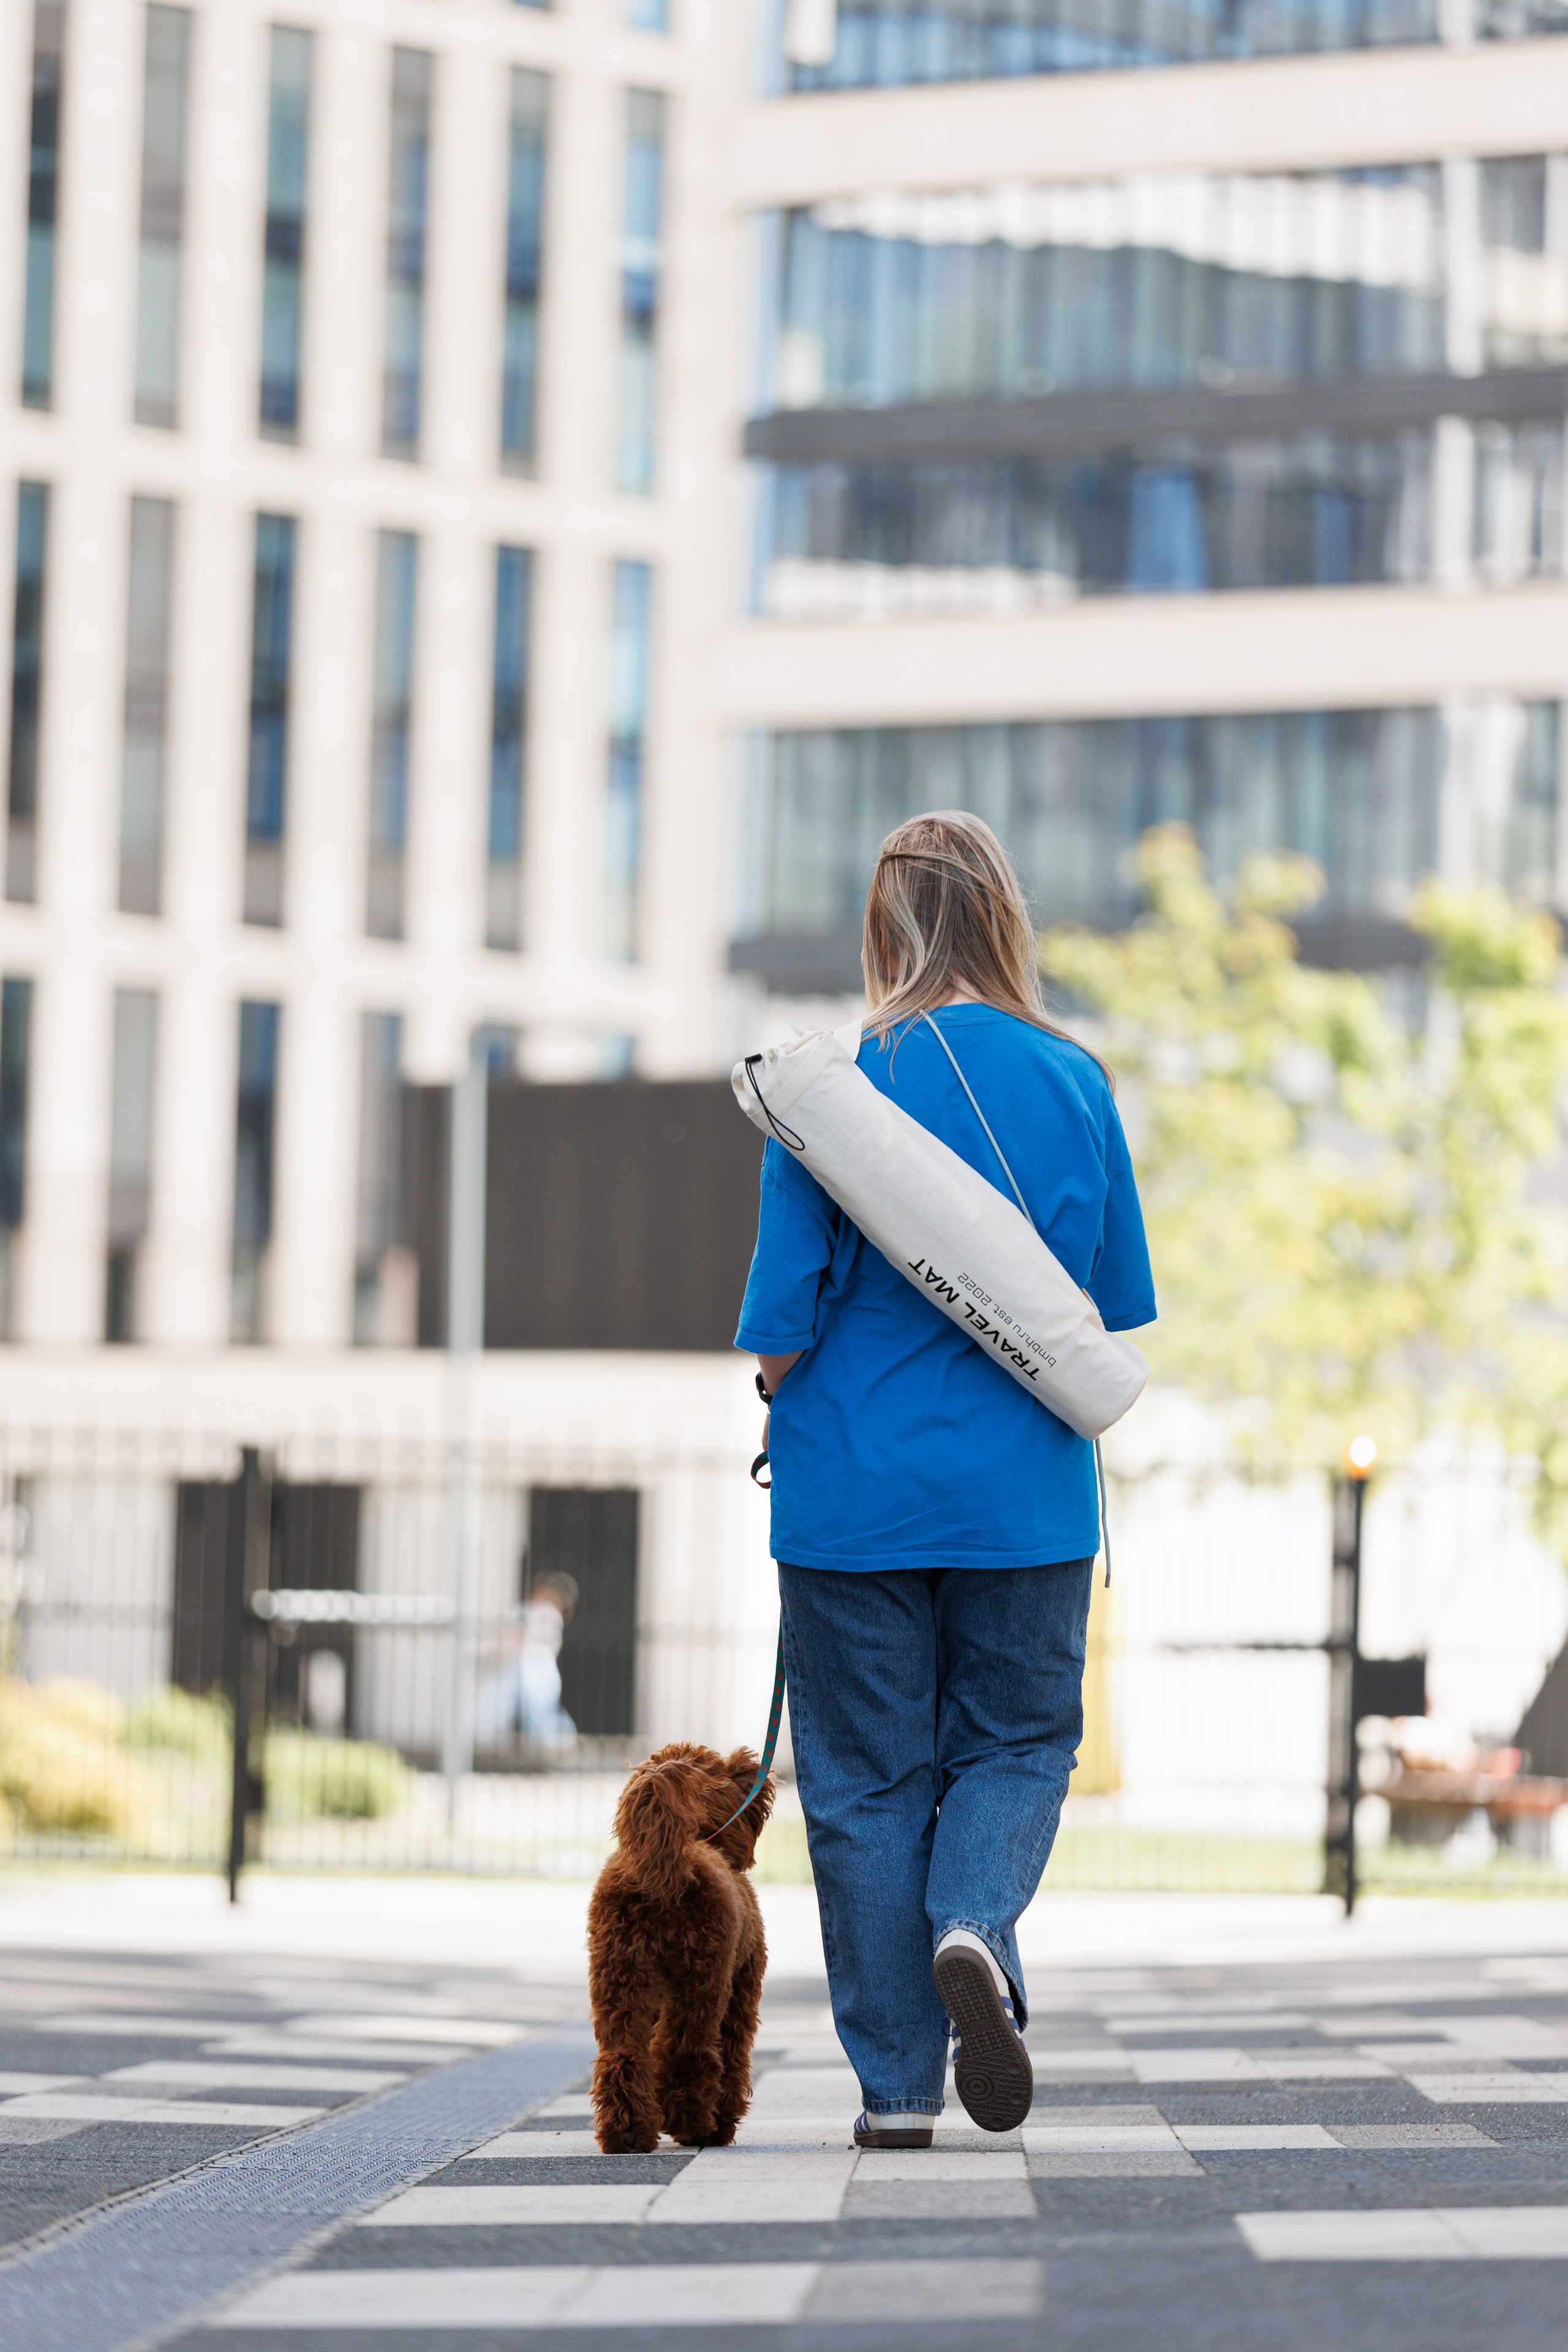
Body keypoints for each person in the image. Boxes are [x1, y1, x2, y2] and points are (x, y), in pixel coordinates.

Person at [734, 810, 1155, 2150]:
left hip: (850, 1499)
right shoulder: (1074, 1081)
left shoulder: (828, 1092)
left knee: (862, 1785)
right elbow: (1104, 1309)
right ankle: (974, 1923)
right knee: (1019, 1744)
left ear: (882, 927)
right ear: (1005, 921)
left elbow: (783, 1328)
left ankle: (897, 2095)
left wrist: (774, 1396)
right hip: (1022, 1499)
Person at [473, 1570, 579, 1751]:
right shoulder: (523, 1610)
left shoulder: (550, 1615)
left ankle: (557, 1740)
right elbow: (504, 1637)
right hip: (511, 1668)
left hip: (538, 1670)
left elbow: (535, 1643)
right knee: (495, 1708)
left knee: (540, 1714)